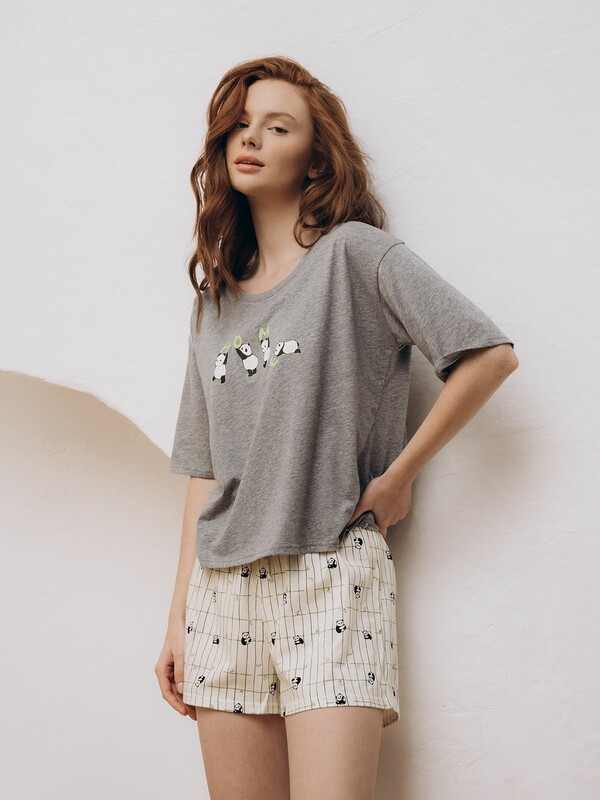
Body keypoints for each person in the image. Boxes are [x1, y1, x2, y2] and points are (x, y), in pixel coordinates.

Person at [155, 55, 519, 800]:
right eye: (240, 125)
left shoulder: (355, 255)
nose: (251, 139)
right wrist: (178, 618)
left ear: (315, 158)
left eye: (277, 127)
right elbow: (205, 469)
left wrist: (397, 478)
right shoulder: (214, 302)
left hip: (332, 576)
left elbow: (489, 357)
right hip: (222, 591)